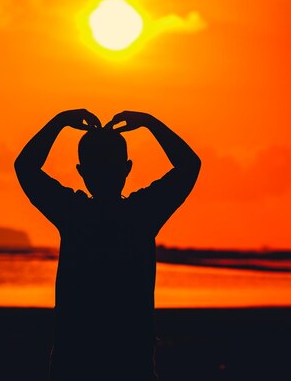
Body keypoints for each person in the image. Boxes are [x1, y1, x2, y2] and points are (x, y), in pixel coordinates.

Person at [14, 109, 201, 380]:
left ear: (81, 172)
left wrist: (60, 121)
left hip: (75, 361)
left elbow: (26, 167)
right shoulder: (142, 213)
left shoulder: (73, 213)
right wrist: (149, 123)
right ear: (126, 169)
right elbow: (189, 166)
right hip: (131, 361)